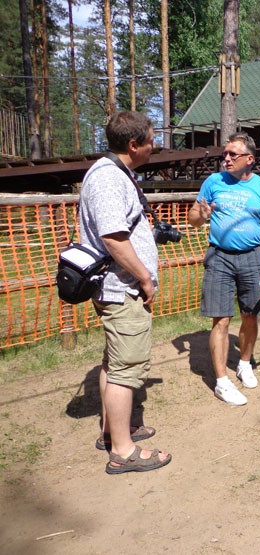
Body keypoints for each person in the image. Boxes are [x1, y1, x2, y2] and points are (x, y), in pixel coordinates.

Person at [79, 110, 171, 474]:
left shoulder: (116, 174)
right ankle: (123, 450)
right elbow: (114, 238)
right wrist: (145, 278)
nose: (154, 147)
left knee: (114, 362)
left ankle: (112, 430)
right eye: (150, 140)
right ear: (133, 145)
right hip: (122, 288)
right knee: (125, 369)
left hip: (120, 287)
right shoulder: (106, 178)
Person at [188, 133, 260, 406]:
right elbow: (193, 217)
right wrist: (201, 216)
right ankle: (221, 382)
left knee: (250, 316)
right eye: (225, 154)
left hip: (252, 259)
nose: (226, 159)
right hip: (219, 257)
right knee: (221, 320)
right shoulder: (213, 182)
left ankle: (244, 363)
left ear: (249, 159)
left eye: (233, 154)